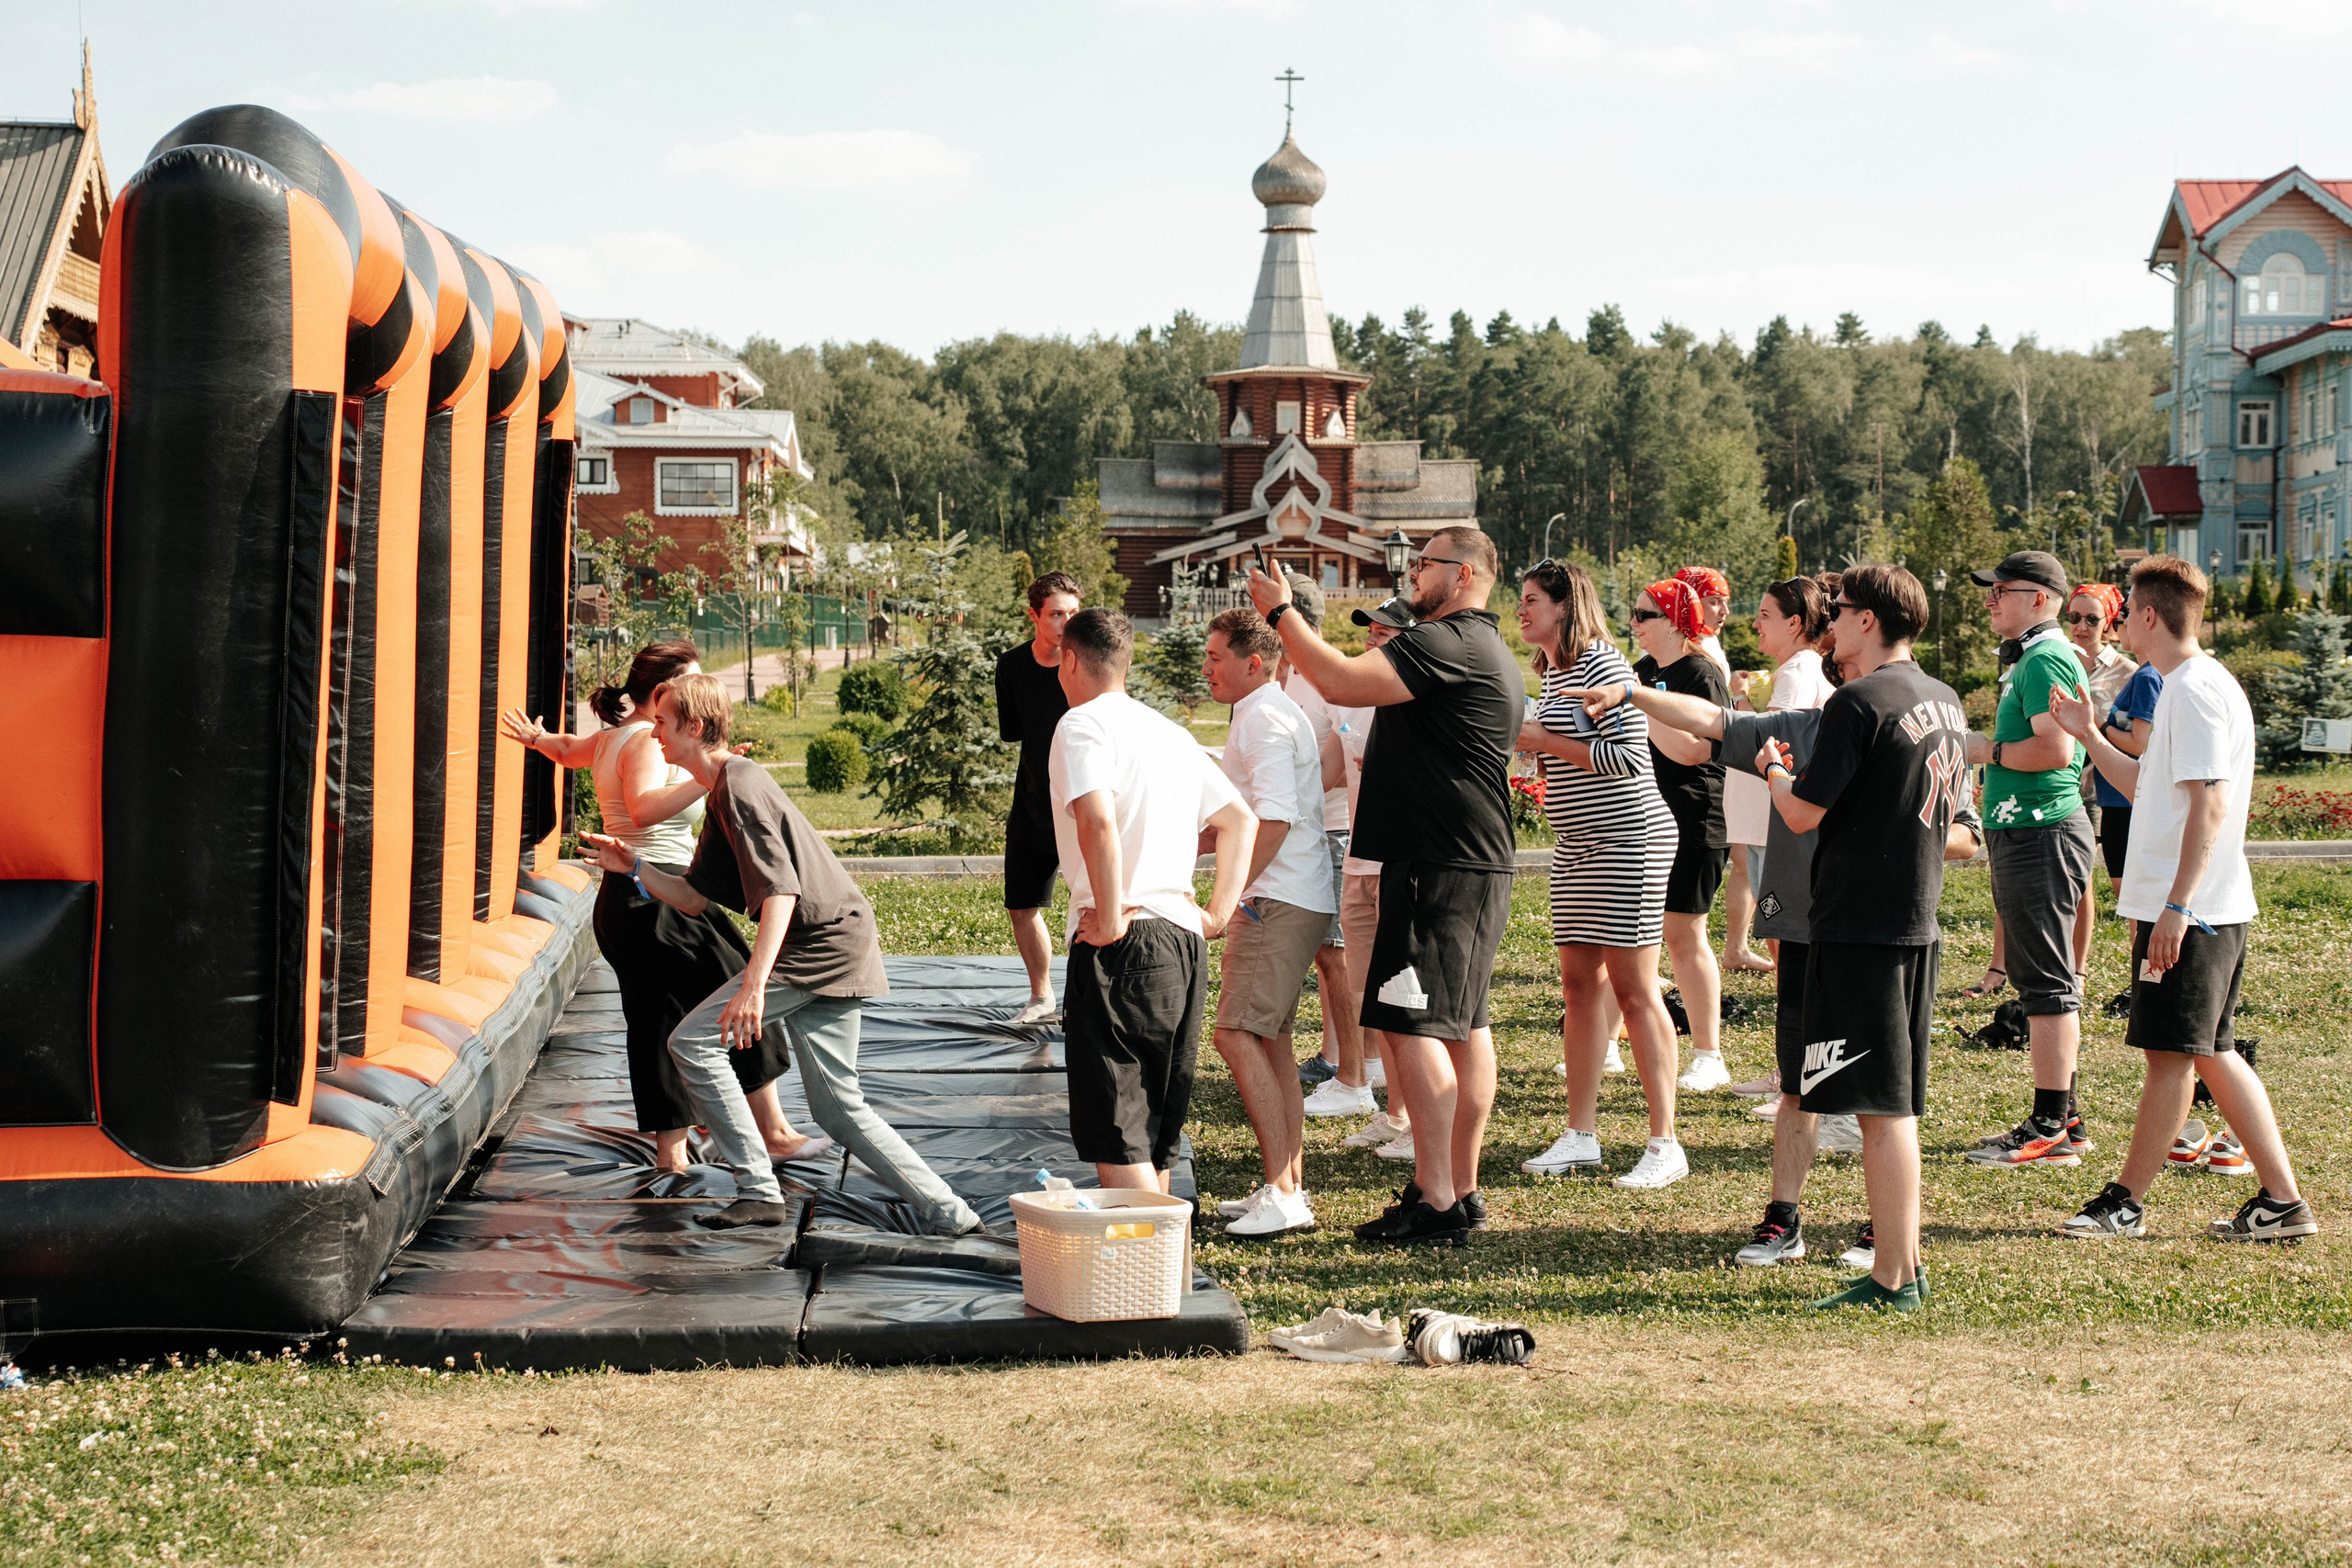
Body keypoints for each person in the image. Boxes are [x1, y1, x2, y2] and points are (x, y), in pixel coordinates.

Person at [579, 673, 984, 1235]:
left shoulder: (739, 785)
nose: (655, 736)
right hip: (837, 940)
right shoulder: (720, 789)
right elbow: (695, 899)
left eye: (664, 725)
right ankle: (956, 1216)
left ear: (694, 728)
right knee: (840, 1110)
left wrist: (753, 986)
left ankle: (758, 1189)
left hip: (822, 945)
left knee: (692, 1042)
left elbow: (781, 892)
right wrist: (637, 868)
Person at [1249, 525, 1524, 1247]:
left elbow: (1338, 678)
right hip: (1463, 859)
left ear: (1463, 574)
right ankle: (1459, 1188)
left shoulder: (1446, 641)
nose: (1412, 575)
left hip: (1435, 862)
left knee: (1414, 1024)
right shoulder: (1481, 646)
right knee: (1463, 1026)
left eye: (1425, 563)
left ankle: (1436, 1197)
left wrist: (1283, 614)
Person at [2050, 557, 2316, 1244]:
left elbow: (2211, 804)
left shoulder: (2194, 690)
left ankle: (2124, 1202)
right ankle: (2282, 1202)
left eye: (2125, 609)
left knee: (2174, 1054)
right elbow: (2146, 786)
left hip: (2194, 914)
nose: (2114, 622)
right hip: (2201, 910)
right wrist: (2087, 733)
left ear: (2146, 616)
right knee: (2209, 1053)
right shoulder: (2182, 687)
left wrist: (2177, 907)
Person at [500, 643, 828, 1175]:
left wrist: (538, 740)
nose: (698, 694)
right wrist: (713, 772)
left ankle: (671, 1153)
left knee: (654, 1022)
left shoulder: (611, 736)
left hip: (621, 904)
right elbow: (643, 810)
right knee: (740, 994)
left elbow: (566, 751)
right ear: (661, 693)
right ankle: (773, 1133)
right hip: (661, 897)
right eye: (690, 683)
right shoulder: (651, 744)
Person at [1757, 563, 1964, 1311]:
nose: (1832, 621)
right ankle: (1903, 1264)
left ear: (1870, 620)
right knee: (1895, 1106)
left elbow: (1804, 813)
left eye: (1841, 610)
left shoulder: (1858, 701)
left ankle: (1893, 1279)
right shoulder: (1943, 698)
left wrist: (1775, 770)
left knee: (1880, 1112)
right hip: (1916, 921)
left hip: (1859, 925)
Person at [1047, 608, 1257, 1193]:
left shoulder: (1081, 726)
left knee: (1120, 1138)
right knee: (1156, 1141)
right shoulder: (1171, 733)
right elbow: (1239, 820)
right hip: (1182, 943)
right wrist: (1214, 915)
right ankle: (1168, 1282)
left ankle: (1146, 1283)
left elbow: (1098, 820)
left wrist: (1110, 917)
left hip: (1125, 941)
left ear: (1069, 660)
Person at [1513, 558, 1686, 1188]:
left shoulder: (1603, 665)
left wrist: (1542, 738)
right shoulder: (1553, 670)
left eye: (1533, 599)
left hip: (1629, 842)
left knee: (1636, 989)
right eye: (1520, 598)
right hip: (1578, 846)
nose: (1522, 609)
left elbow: (1625, 759)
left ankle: (1665, 1141)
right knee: (1579, 985)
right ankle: (1580, 1134)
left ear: (1565, 605)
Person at [1198, 606, 1340, 1237]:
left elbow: (1275, 817)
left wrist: (1230, 897)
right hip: (1294, 895)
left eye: (1214, 657)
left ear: (1253, 663)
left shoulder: (1261, 718)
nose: (1207, 668)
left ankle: (1284, 1193)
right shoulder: (1270, 710)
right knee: (1270, 1039)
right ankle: (1287, 1185)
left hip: (1275, 900)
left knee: (1234, 1034)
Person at [1962, 550, 2096, 1169]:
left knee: (2046, 985)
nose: (1990, 599)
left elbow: (2053, 748)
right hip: (2031, 831)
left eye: (2001, 590)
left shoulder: (2044, 657)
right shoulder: (2034, 657)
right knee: (2044, 979)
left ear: (2040, 599)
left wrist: (1981, 749)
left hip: (2042, 831)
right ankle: (2064, 1121)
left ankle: (2048, 1125)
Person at [1631, 579, 1734, 1094]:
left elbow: (1696, 750)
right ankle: (1606, 1045)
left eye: (1643, 615)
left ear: (1673, 620)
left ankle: (1709, 1052)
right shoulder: (1647, 671)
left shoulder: (1701, 672)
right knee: (1630, 932)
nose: (1634, 623)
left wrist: (1641, 707)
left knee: (1683, 933)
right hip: (1650, 816)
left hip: (1696, 815)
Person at [1274, 575, 1368, 1109]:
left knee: (1337, 956)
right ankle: (1341, 1059)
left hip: (1336, 831)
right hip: (1305, 830)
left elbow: (1340, 755)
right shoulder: (1284, 676)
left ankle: (1349, 1070)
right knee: (1327, 954)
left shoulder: (1323, 675)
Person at [1327, 598, 1414, 1156]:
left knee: (1405, 999)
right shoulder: (1358, 699)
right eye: (1369, 633)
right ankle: (1396, 1114)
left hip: (1400, 865)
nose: (1372, 641)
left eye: (1385, 634)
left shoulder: (1412, 700)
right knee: (1372, 1000)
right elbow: (1332, 774)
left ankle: (1416, 1121)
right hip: (1359, 861)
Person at [1719, 578, 1834, 977]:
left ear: (1795, 624)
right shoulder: (1795, 669)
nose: (1755, 624)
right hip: (1764, 823)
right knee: (1775, 920)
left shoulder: (1798, 672)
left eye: (1765, 615)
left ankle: (1799, 1003)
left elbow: (1772, 741)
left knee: (1780, 922)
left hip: (1775, 826)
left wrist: (1738, 699)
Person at [996, 570, 1082, 1025]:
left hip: (1084, 802)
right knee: (1021, 905)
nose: (1066, 622)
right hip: (1032, 803)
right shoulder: (1011, 667)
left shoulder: (1089, 662)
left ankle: (1092, 997)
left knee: (1094, 900)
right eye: (1056, 614)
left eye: (1073, 613)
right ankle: (1041, 994)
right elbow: (1015, 732)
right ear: (1034, 615)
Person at [1675, 566, 1734, 676]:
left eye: (1726, 602)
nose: (1726, 611)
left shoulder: (1709, 639)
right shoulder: (1664, 646)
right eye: (1715, 602)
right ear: (1690, 604)